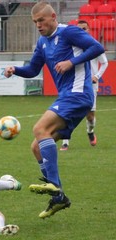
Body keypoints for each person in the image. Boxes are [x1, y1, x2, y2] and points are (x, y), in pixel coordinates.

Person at [4, 1, 105, 219]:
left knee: (40, 128)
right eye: (35, 22)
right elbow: (32, 69)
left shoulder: (69, 32)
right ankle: (59, 198)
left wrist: (71, 61)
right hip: (68, 97)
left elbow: (97, 47)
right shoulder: (42, 42)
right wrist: (16, 70)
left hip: (78, 94)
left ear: (52, 17)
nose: (38, 25)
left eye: (41, 20)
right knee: (37, 147)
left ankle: (54, 185)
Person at [60, 20, 108, 151]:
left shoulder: (93, 45)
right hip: (74, 83)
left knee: (90, 116)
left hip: (90, 85)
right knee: (68, 112)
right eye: (79, 28)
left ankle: (90, 131)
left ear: (89, 30)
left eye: (84, 28)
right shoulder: (72, 45)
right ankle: (65, 142)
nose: (82, 30)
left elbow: (104, 63)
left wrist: (96, 76)